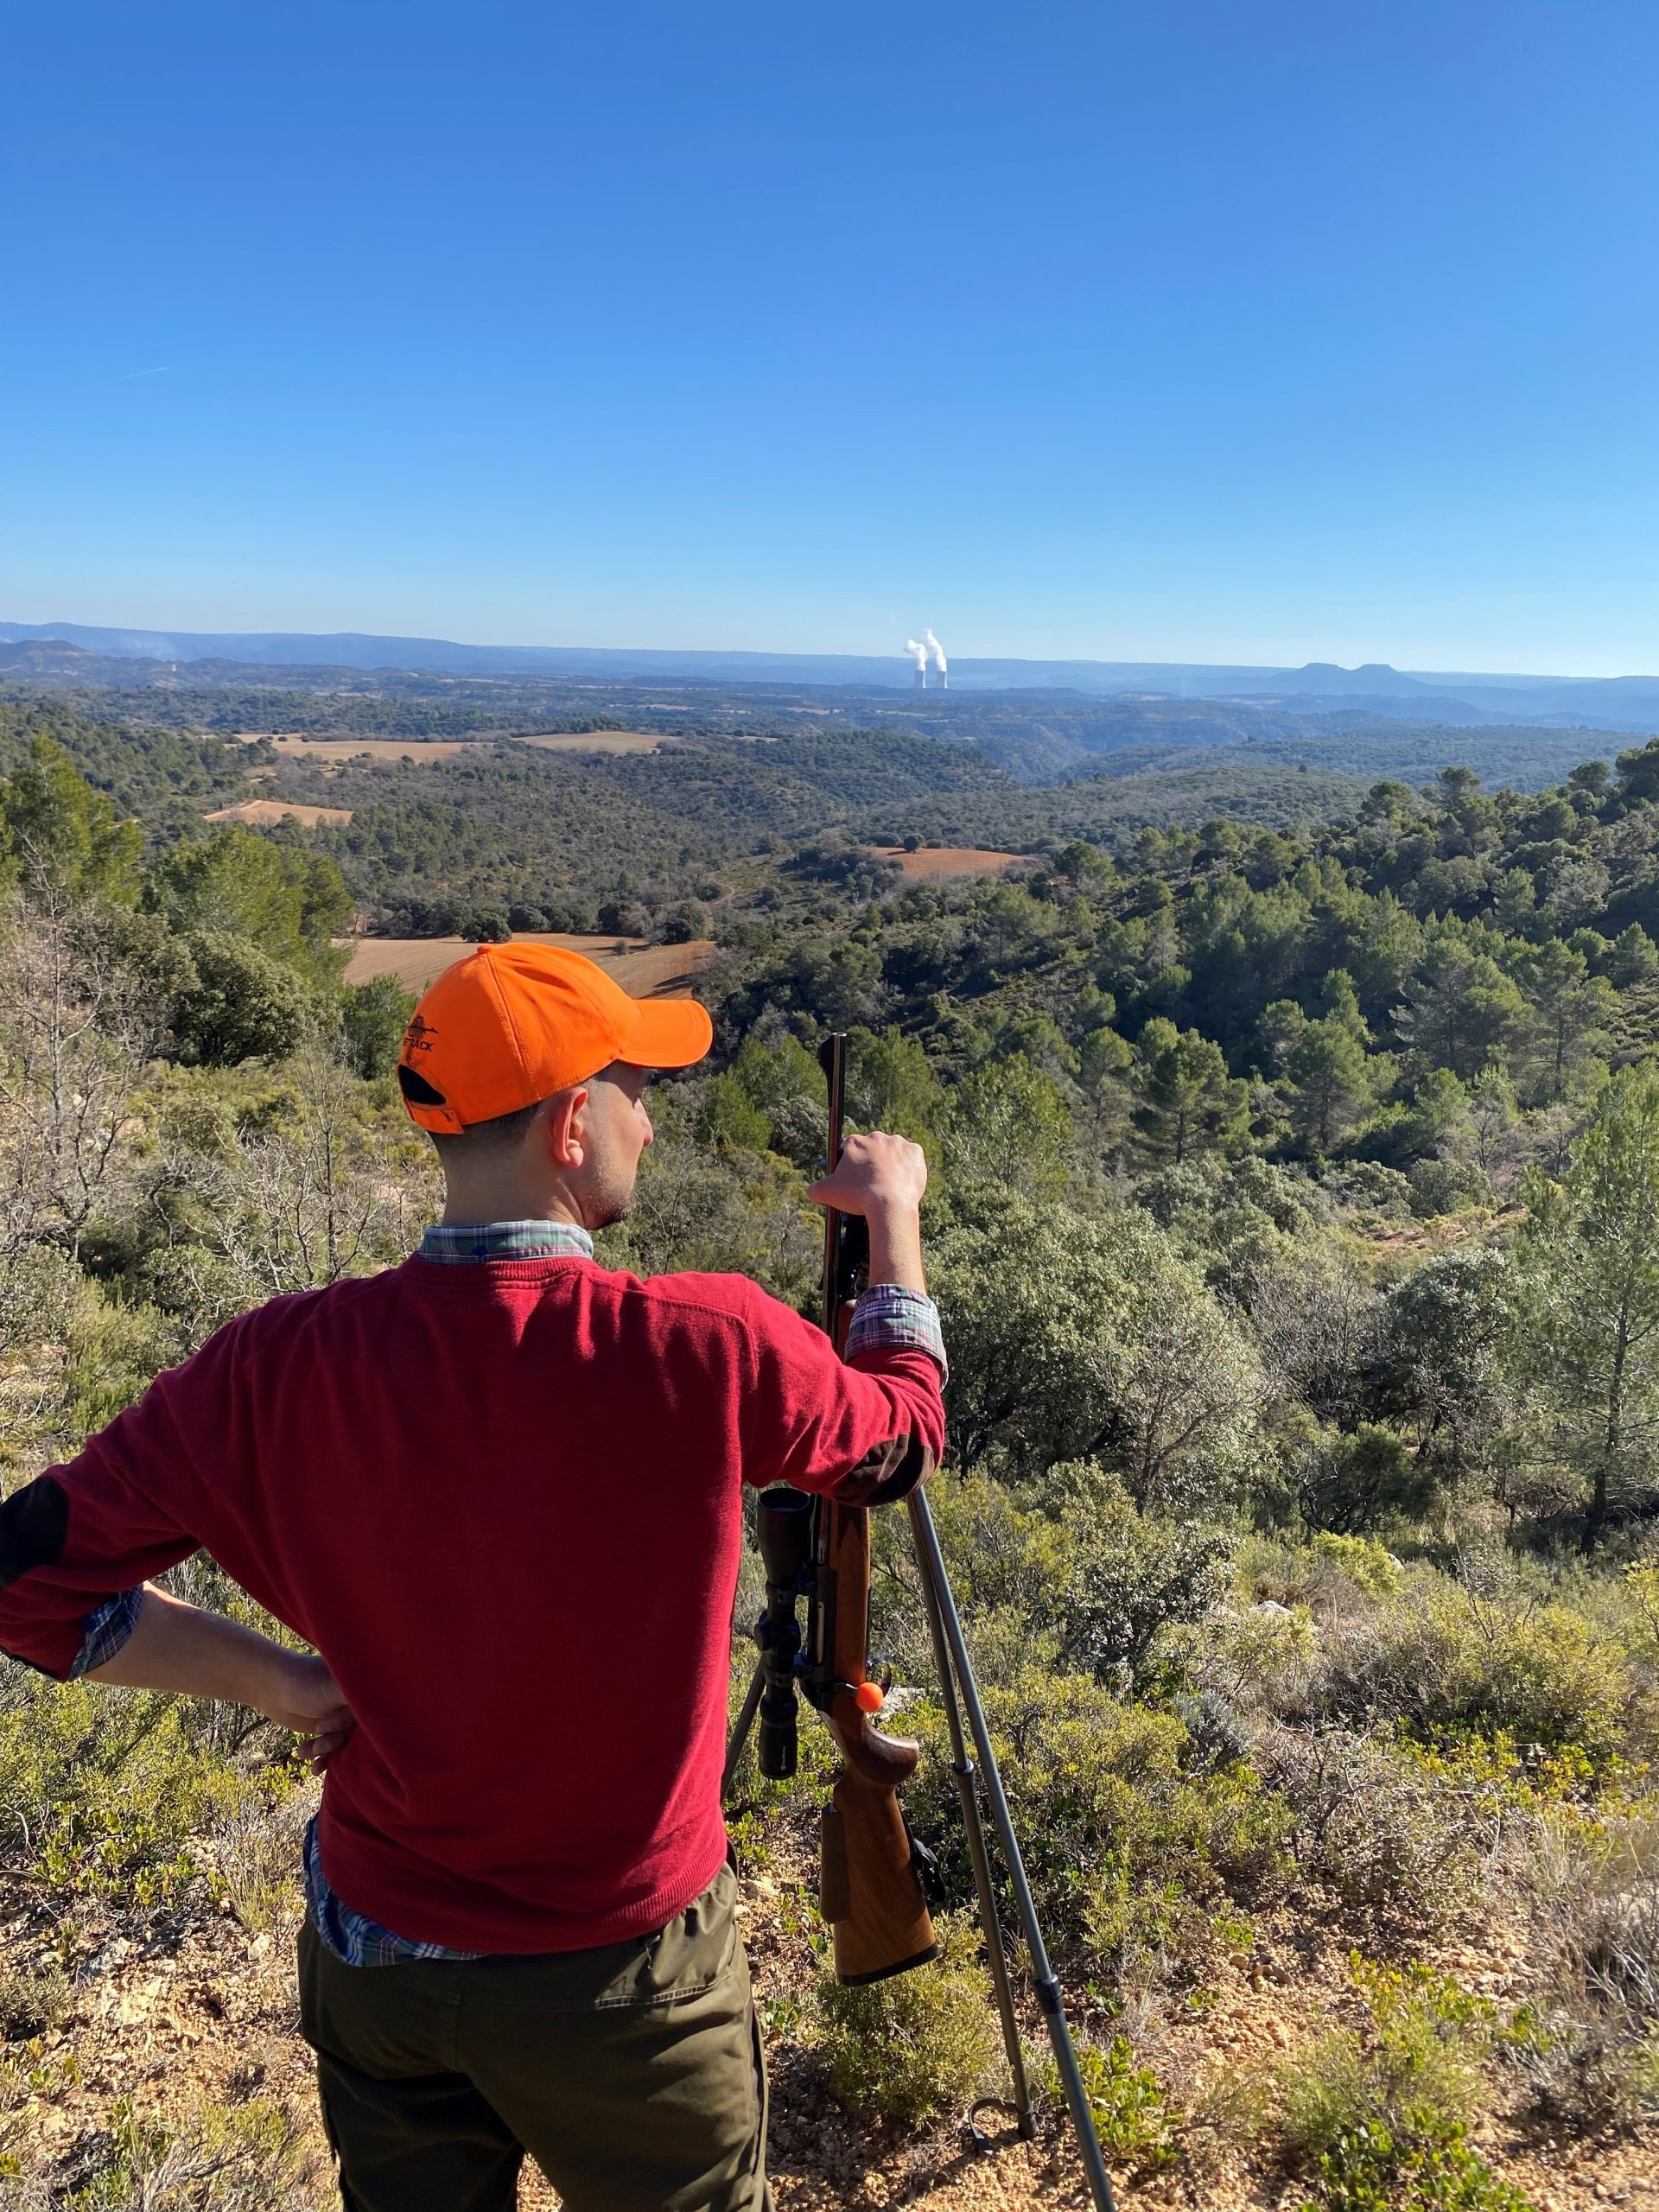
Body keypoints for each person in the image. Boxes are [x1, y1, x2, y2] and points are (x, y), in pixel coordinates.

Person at [0, 943, 946, 2212]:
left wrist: (286, 1686)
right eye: (631, 1093)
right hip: (622, 1980)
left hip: (378, 1959)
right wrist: (893, 1221)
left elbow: (23, 1582)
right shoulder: (703, 1344)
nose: (649, 1127)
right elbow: (899, 1440)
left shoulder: (273, 1367)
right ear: (570, 1125)